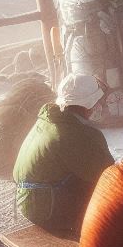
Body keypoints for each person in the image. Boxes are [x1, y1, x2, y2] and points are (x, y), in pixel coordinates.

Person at [12, 73, 114, 234]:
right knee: (111, 202)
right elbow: (107, 176)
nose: (99, 105)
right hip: (46, 208)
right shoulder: (71, 134)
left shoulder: (49, 120)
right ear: (88, 105)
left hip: (30, 200)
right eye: (97, 102)